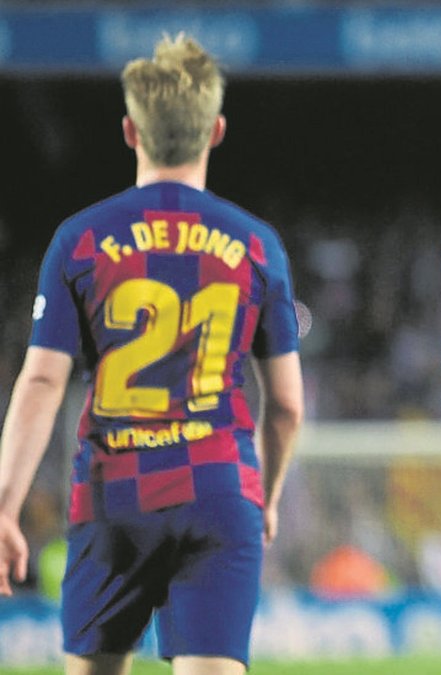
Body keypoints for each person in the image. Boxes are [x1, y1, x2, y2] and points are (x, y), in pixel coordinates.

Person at [0, 35, 303, 675]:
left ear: (130, 131)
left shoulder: (80, 239)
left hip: (115, 492)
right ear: (215, 131)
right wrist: (268, 496)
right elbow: (285, 406)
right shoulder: (256, 244)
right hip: (219, 487)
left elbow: (42, 383)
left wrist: (4, 504)